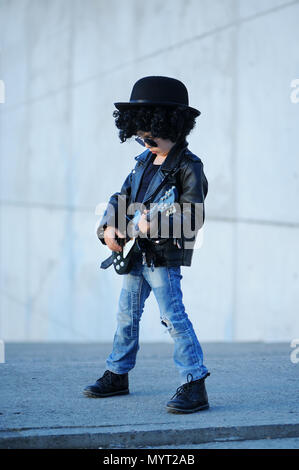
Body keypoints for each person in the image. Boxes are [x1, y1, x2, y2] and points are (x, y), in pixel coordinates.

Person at [83, 76, 210, 413]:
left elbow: (194, 215)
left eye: (149, 133)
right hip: (134, 254)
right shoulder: (142, 163)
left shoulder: (188, 166)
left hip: (163, 257)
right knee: (126, 314)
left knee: (173, 318)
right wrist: (107, 227)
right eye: (139, 134)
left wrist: (158, 223)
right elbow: (120, 198)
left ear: (172, 124)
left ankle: (194, 382)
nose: (144, 140)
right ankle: (117, 373)